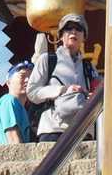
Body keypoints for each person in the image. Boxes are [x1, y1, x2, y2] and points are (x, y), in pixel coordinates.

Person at [26, 13, 100, 143]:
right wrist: (62, 90)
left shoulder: (89, 67)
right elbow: (32, 92)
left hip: (83, 130)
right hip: (53, 128)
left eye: (78, 28)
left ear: (84, 36)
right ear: (61, 35)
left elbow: (99, 93)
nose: (73, 32)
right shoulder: (48, 60)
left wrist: (91, 97)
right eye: (68, 28)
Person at [0, 60, 33, 144]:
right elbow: (13, 140)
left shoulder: (23, 107)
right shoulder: (9, 100)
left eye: (31, 77)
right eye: (22, 76)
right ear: (8, 82)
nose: (27, 80)